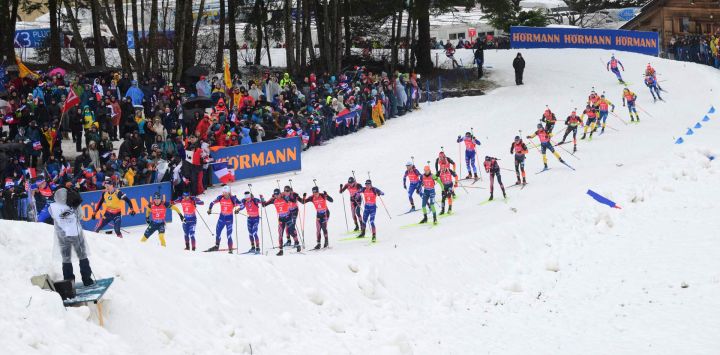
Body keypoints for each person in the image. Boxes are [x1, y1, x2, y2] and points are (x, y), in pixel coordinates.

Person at [48, 188, 94, 286]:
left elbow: (52, 216)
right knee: (82, 256)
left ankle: (69, 283)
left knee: (66, 259)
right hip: (76, 234)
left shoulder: (52, 207)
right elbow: (81, 216)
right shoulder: (74, 204)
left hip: (62, 236)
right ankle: (87, 279)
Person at [261, 188, 301, 255]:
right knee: (280, 233)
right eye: (275, 195)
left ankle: (297, 244)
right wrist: (262, 199)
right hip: (281, 218)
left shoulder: (284, 197)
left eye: (277, 194)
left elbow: (293, 200)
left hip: (288, 216)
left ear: (280, 194)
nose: (276, 196)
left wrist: (293, 196)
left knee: (291, 231)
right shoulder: (273, 199)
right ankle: (281, 250)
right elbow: (264, 205)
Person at [206, 186, 242, 253]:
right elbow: (212, 203)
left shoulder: (233, 199)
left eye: (226, 192)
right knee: (218, 232)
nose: (224, 193)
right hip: (221, 218)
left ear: (229, 192)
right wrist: (209, 209)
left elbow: (242, 204)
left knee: (229, 235)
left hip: (229, 219)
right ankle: (216, 246)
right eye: (223, 192)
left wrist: (238, 209)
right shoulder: (220, 197)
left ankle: (230, 249)